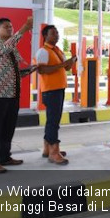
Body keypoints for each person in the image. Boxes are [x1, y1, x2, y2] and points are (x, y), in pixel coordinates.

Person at [0, 16, 35, 173]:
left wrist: (28, 71)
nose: (10, 29)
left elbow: (12, 71)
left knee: (8, 129)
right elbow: (5, 48)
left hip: (12, 94)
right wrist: (24, 29)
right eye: (6, 27)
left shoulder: (12, 48)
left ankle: (5, 157)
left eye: (11, 27)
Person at [35, 25, 76, 165]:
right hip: (50, 90)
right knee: (53, 122)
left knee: (52, 120)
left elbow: (66, 67)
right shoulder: (43, 51)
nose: (56, 35)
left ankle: (47, 148)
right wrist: (62, 64)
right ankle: (54, 152)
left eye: (57, 33)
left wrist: (70, 62)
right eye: (53, 33)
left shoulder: (57, 50)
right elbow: (42, 70)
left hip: (59, 89)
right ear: (45, 36)